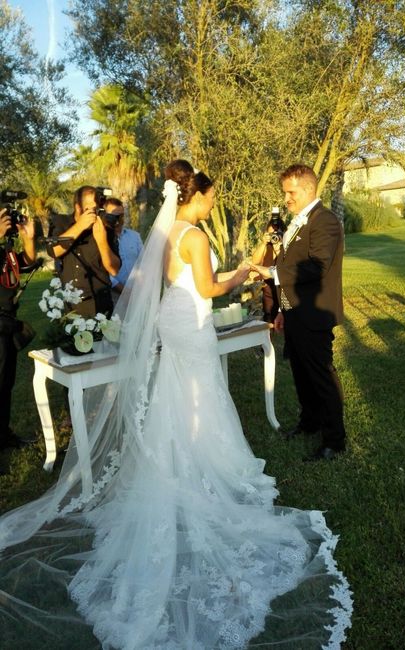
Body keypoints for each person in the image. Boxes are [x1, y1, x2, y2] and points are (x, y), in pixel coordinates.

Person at [0, 161, 352, 648]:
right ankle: (204, 461)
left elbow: (180, 283)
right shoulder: (197, 235)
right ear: (197, 195)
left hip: (173, 318)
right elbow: (208, 288)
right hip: (192, 322)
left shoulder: (165, 233)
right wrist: (247, 273)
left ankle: (175, 453)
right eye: (211, 197)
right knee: (201, 391)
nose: (213, 205)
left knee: (176, 392)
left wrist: (247, 270)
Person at [251, 164, 346, 462]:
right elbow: (290, 272)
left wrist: (271, 270)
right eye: (285, 193)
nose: (287, 198)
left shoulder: (325, 221)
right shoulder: (296, 222)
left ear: (307, 189)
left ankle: (334, 440)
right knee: (301, 374)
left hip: (315, 314)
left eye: (291, 192)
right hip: (295, 313)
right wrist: (283, 311)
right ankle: (309, 423)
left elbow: (316, 266)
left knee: (321, 375)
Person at [47, 186, 121, 318]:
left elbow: (114, 269)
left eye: (97, 208)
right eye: (90, 208)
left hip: (101, 302)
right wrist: (80, 226)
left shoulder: (104, 226)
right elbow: (53, 250)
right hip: (72, 305)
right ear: (78, 207)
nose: (94, 212)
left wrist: (102, 240)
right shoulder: (61, 222)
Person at [0, 208, 36, 451]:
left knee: (5, 383)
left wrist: (28, 238)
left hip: (7, 320)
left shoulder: (6, 249)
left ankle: (3, 435)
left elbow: (26, 263)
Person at [105, 197, 144, 304]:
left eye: (121, 216)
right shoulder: (102, 239)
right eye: (113, 216)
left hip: (137, 295)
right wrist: (123, 290)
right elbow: (102, 269)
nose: (118, 220)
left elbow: (143, 262)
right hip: (114, 297)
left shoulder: (135, 236)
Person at [251, 212, 287, 323]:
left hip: (283, 291)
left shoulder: (288, 246)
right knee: (268, 321)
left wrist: (279, 248)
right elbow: (255, 261)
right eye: (271, 234)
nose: (274, 236)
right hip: (268, 291)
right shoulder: (267, 247)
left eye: (276, 233)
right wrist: (263, 243)